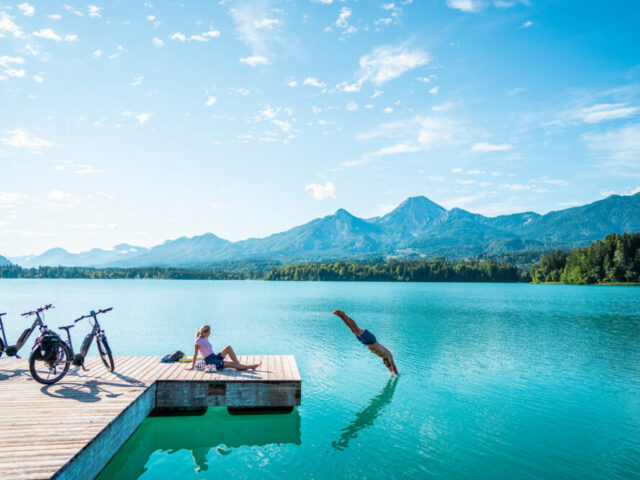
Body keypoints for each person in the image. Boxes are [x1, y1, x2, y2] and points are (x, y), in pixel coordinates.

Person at [333, 309, 398, 375]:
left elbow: (389, 368)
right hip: (371, 340)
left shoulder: (384, 357)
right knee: (356, 329)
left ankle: (340, 316)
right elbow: (394, 367)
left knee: (352, 330)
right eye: (385, 363)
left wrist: (390, 372)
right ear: (388, 362)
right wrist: (396, 374)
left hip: (366, 342)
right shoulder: (388, 355)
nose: (383, 363)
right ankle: (343, 314)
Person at [185, 325, 261, 372]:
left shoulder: (205, 338)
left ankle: (239, 365)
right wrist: (192, 366)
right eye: (209, 332)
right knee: (232, 364)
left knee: (228, 347)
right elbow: (195, 354)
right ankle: (251, 366)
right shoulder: (198, 341)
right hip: (210, 361)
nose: (210, 333)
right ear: (204, 332)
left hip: (214, 357)